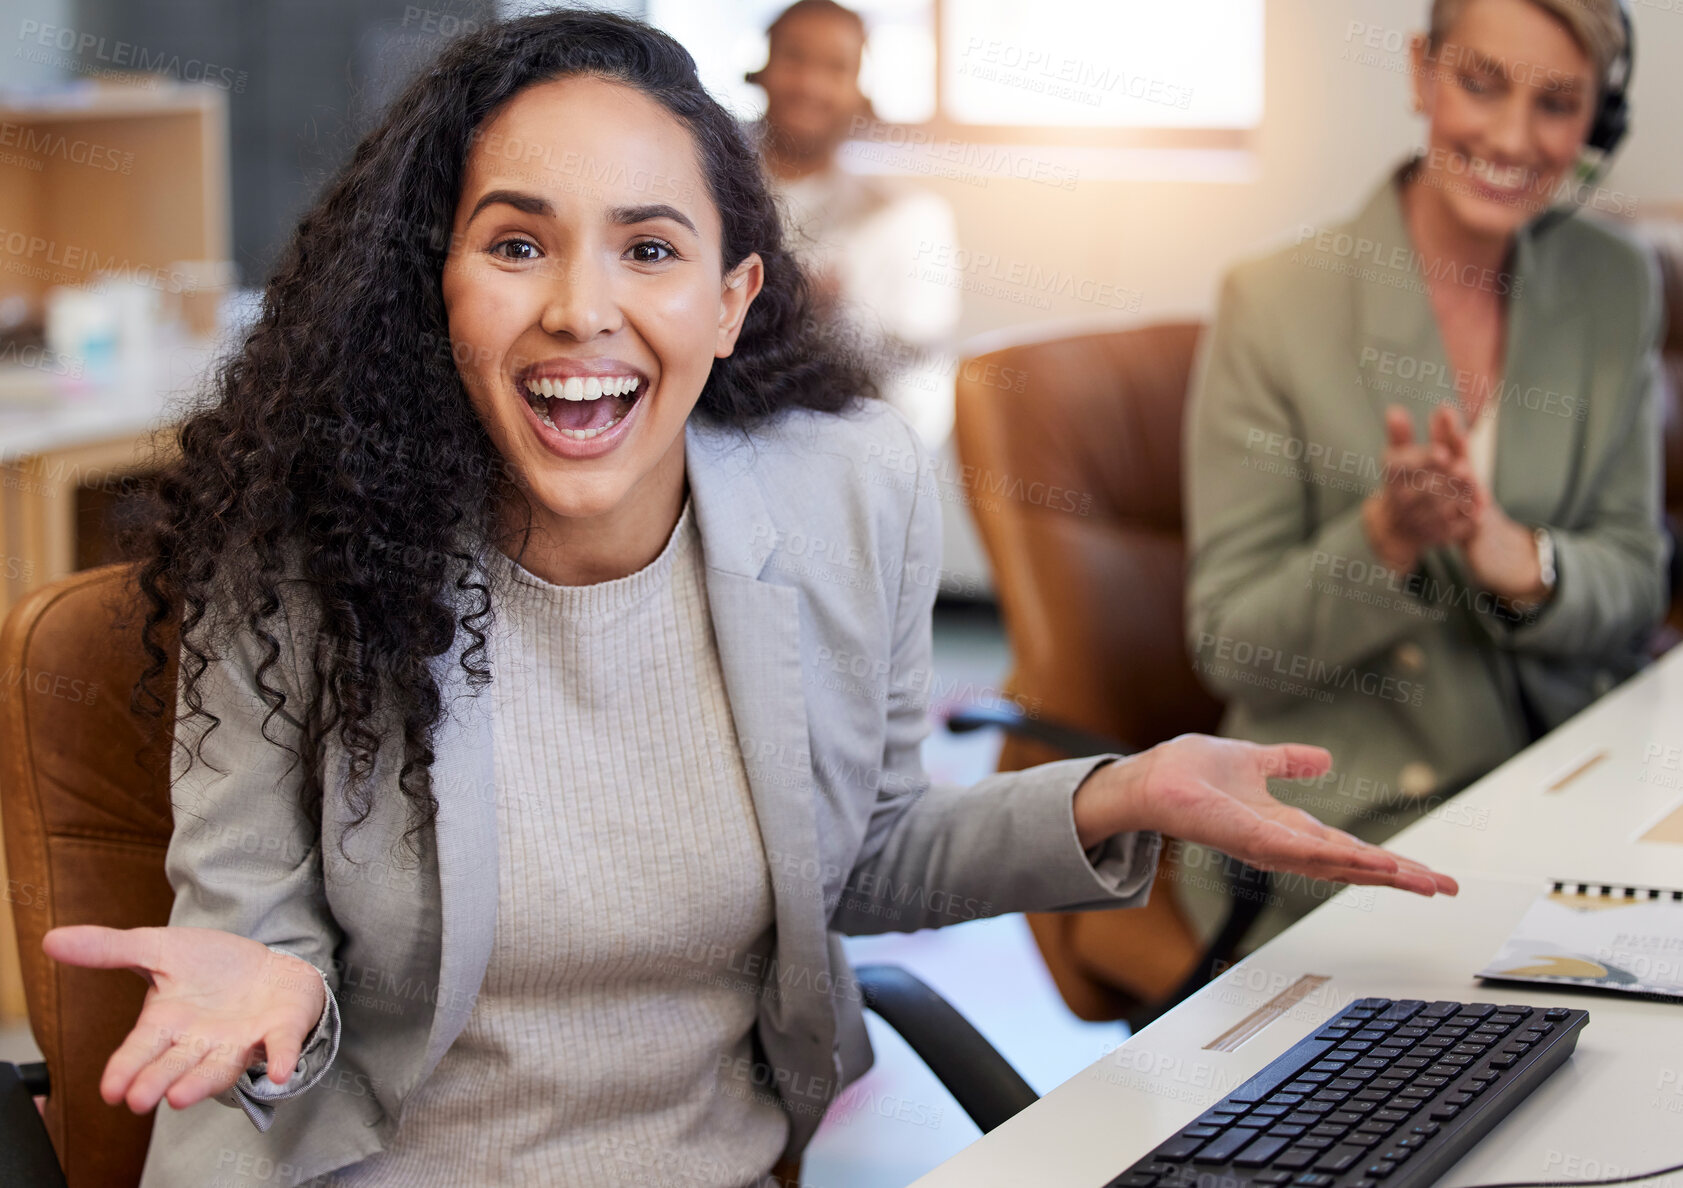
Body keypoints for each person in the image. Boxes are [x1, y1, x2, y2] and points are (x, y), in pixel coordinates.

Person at [43, 12, 1453, 1187]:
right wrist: (275, 1001)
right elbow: (245, 951)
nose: (581, 310)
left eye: (648, 250)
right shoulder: (301, 545)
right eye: (516, 245)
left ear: (730, 302)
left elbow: (861, 850)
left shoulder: (845, 494)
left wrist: (1113, 800)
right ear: (437, 291)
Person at [1182, 0, 1662, 947]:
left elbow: (1637, 580)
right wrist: (1385, 541)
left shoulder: (1614, 284)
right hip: (1359, 823)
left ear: (1596, 124)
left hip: (1563, 791)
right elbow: (1230, 645)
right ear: (1420, 73)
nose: (1511, 138)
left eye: (1557, 104)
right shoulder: (1274, 304)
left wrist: (1522, 559)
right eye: (1480, 84)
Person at [748, 0, 963, 447]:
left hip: (842, 453)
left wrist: (830, 319)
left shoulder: (905, 219)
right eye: (795, 57)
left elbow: (918, 383)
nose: (810, 84)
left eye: (835, 67)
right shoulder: (704, 196)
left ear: (859, 90)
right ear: (762, 70)